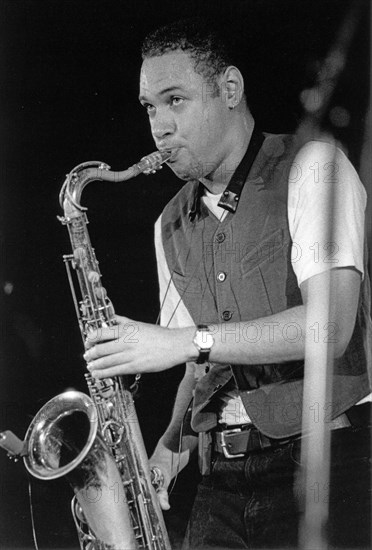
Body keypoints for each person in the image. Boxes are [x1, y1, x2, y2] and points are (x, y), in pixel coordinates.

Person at [84, 18, 371, 549]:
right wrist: (173, 441)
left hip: (325, 463)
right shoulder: (168, 223)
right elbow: (202, 365)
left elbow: (330, 326)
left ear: (230, 90)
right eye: (150, 107)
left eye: (175, 100)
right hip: (220, 478)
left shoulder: (313, 167)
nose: (159, 127)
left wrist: (180, 343)